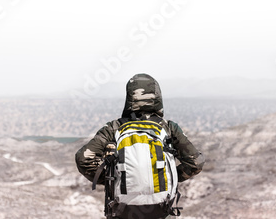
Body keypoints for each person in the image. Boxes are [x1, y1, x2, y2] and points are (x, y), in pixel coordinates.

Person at [75, 73, 205, 218]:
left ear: (129, 98)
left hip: (122, 211)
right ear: (157, 97)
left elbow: (83, 159)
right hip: (162, 211)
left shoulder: (114, 127)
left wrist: (112, 180)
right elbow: (196, 162)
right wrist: (170, 176)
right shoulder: (168, 128)